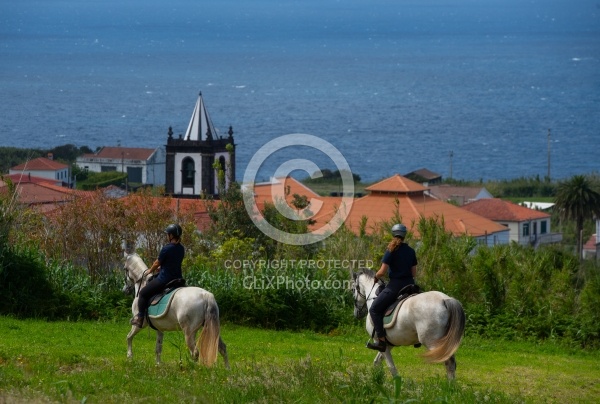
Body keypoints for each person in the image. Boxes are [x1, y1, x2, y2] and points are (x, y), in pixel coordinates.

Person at [367, 223, 417, 352]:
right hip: (410, 285)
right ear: (405, 236)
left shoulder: (391, 250)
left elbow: (382, 272)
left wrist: (376, 276)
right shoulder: (411, 251)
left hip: (396, 285)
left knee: (374, 309)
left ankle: (382, 341)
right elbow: (413, 273)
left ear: (392, 234)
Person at [130, 223, 185, 328]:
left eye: (168, 234)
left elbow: (157, 263)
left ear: (171, 235)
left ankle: (140, 318)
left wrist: (150, 270)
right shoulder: (181, 248)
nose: (167, 236)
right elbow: (173, 262)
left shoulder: (167, 248)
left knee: (142, 293)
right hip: (178, 278)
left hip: (165, 278)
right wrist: (163, 267)